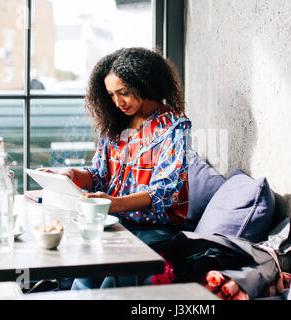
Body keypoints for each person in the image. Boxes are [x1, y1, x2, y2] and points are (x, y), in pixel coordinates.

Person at [52, 47, 192, 290]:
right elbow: (98, 175)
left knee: (112, 285)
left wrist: (114, 203)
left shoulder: (175, 126)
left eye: (124, 93)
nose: (117, 102)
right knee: (83, 283)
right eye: (111, 95)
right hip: (114, 223)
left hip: (156, 231)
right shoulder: (116, 124)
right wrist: (73, 175)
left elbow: (166, 191)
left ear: (145, 83)